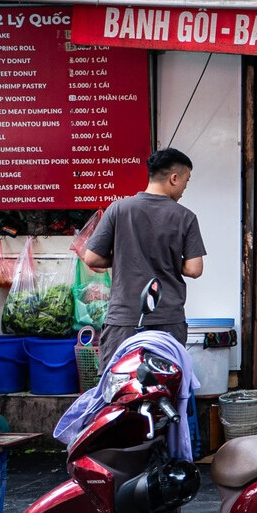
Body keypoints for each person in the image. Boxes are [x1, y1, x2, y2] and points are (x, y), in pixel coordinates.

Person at [82, 148, 208, 361]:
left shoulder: (118, 209)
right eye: (186, 181)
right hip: (167, 320)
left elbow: (91, 258)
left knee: (119, 386)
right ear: (174, 178)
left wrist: (125, 257)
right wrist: (167, 260)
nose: (185, 188)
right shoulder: (186, 217)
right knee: (165, 386)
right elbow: (194, 269)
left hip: (124, 319)